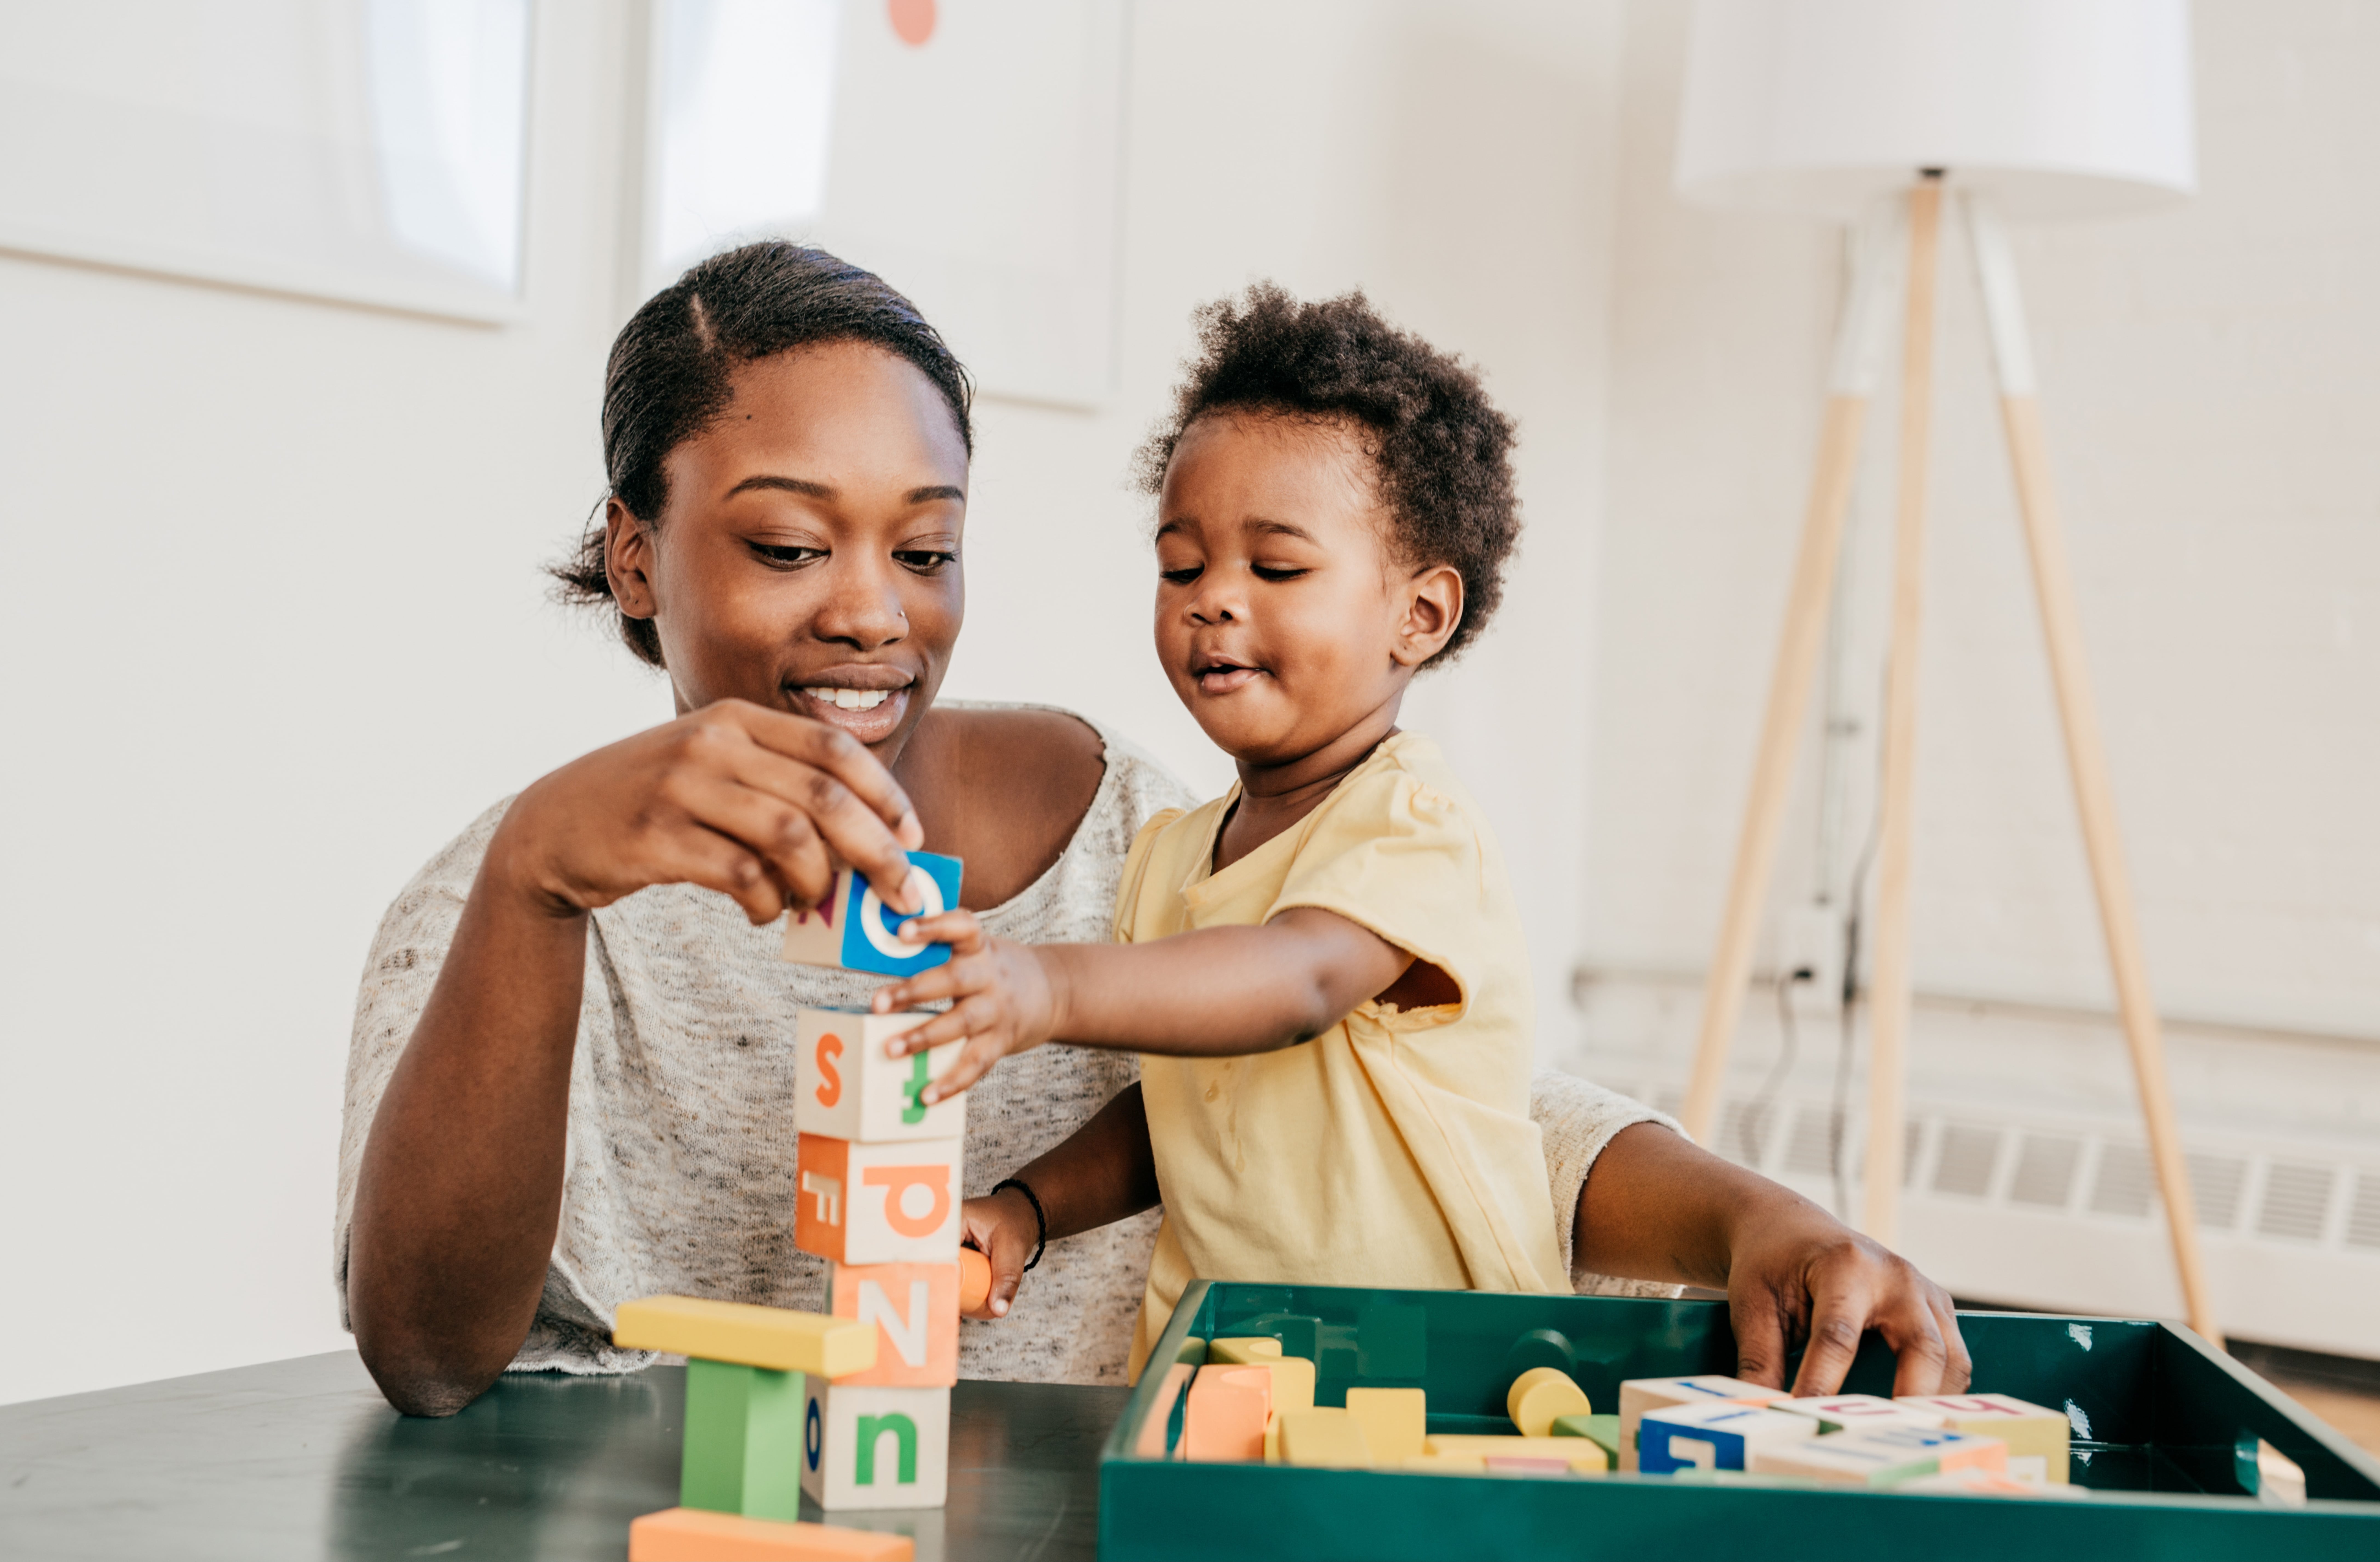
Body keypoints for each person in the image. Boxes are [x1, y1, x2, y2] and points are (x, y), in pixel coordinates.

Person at [337, 240, 1968, 1420]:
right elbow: (424, 1356)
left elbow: (1451, 1109)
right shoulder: (512, 895)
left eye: (926, 550)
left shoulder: (1157, 826)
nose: (868, 614)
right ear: (637, 557)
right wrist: (537, 885)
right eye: (782, 545)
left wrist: (1767, 1214)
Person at [888, 287, 1575, 1375]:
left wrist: (1048, 986)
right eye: (1182, 565)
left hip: (1438, 1381)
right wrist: (1026, 1206)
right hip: (1220, 1375)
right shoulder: (1171, 854)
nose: (1213, 600)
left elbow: (1297, 981)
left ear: (1420, 614)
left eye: (1276, 566)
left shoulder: (1413, 824)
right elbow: (1181, 1113)